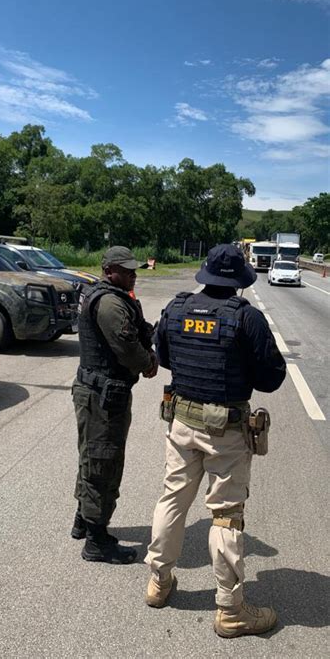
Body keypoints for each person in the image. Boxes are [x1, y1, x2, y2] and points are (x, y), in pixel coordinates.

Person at [145, 244, 286, 638]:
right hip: (225, 432)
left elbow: (167, 357)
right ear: (239, 281)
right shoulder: (247, 318)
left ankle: (158, 583)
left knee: (172, 497)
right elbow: (272, 378)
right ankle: (230, 610)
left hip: (180, 422)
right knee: (225, 514)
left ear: (205, 274)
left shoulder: (176, 309)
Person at [72, 245, 158, 564]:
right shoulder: (109, 302)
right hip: (102, 396)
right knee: (102, 462)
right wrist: (149, 363)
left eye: (134, 269)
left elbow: (137, 330)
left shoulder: (115, 296)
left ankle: (85, 519)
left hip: (99, 391)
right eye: (126, 270)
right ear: (109, 271)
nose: (133, 274)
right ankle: (97, 540)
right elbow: (126, 346)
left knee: (91, 457)